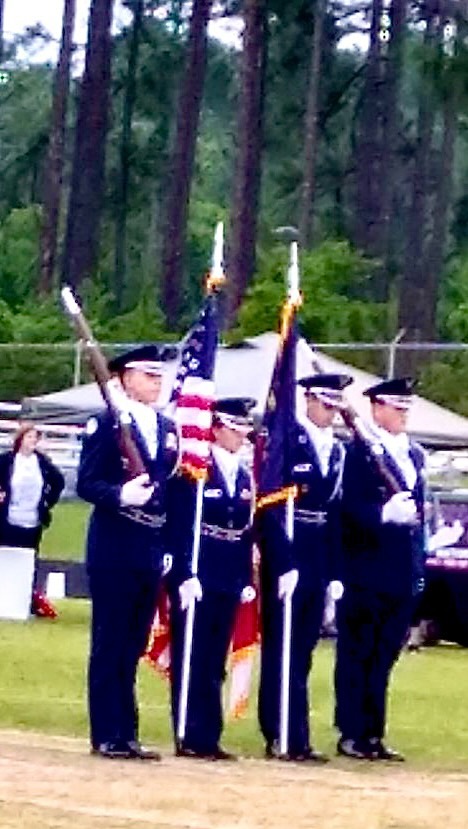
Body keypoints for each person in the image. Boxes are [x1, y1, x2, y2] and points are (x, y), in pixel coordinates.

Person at [77, 344, 179, 761]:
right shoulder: (106, 423)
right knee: (110, 641)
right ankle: (107, 733)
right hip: (115, 544)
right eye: (148, 375)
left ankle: (126, 732)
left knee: (133, 642)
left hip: (149, 545)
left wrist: (168, 544)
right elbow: (87, 483)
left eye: (159, 376)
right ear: (125, 378)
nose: (157, 382)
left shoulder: (166, 426)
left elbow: (171, 490)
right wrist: (119, 494)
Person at [258, 373, 352, 763]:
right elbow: (268, 505)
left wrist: (335, 573)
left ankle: (297, 733)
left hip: (317, 553)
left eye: (335, 406)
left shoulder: (336, 451)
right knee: (281, 647)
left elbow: (334, 514)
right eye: (325, 404)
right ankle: (279, 731)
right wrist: (282, 562)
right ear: (308, 400)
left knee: (304, 650)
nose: (330, 413)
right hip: (289, 551)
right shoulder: (288, 439)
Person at [334, 377, 426, 761]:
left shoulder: (413, 454)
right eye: (396, 407)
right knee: (359, 653)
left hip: (400, 571)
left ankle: (373, 732)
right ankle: (351, 732)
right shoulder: (357, 453)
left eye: (406, 407)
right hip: (365, 568)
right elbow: (346, 509)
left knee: (385, 656)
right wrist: (382, 515)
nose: (403, 414)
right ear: (376, 408)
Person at [169, 397, 256, 761]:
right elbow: (181, 524)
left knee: (215, 658)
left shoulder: (244, 474)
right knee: (193, 654)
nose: (241, 436)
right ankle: (188, 731)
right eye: (234, 429)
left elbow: (245, 529)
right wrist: (183, 572)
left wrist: (245, 576)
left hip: (228, 572)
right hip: (200, 568)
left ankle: (209, 734)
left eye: (243, 430)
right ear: (216, 429)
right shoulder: (196, 470)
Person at [0, 422, 65, 613]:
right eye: (29, 437)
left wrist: (47, 502)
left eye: (35, 438)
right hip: (7, 518)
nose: (33, 441)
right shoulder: (7, 460)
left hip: (32, 520)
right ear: (20, 439)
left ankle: (26, 600)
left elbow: (58, 482)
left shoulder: (42, 463)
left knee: (29, 560)